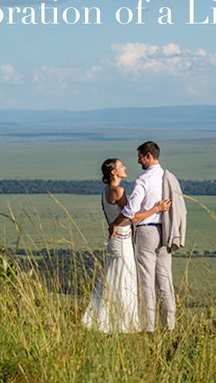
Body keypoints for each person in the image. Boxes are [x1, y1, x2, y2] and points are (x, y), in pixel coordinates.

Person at [82, 158, 170, 333]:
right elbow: (132, 217)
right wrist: (156, 209)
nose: (125, 167)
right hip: (122, 239)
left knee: (114, 277)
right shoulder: (119, 190)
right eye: (120, 166)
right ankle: (123, 324)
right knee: (126, 279)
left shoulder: (105, 191)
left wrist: (114, 223)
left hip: (116, 240)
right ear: (113, 172)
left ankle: (106, 320)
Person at [109, 141, 185, 332]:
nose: (138, 160)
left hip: (146, 232)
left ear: (148, 156)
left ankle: (149, 328)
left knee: (146, 281)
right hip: (167, 231)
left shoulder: (143, 180)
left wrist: (115, 223)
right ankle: (170, 326)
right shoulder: (169, 177)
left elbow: (131, 211)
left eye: (140, 156)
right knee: (165, 281)